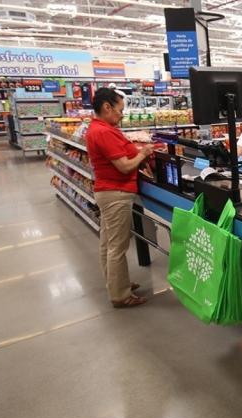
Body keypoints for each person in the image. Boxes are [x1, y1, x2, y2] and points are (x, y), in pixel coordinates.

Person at [86, 88, 154, 308]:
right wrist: (143, 153)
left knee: (108, 243)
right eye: (120, 110)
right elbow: (124, 166)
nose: (122, 115)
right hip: (116, 193)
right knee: (118, 246)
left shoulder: (98, 128)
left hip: (106, 191)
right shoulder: (104, 132)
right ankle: (120, 296)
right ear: (107, 107)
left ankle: (116, 283)